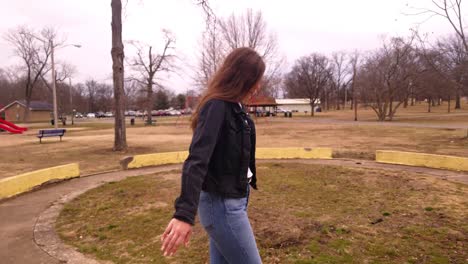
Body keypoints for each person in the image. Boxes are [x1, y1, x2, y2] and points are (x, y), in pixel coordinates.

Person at [161, 47, 265, 264]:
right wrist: (183, 214)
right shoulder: (217, 106)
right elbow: (197, 161)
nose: (258, 85)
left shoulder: (236, 107)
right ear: (243, 78)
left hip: (235, 199)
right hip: (222, 206)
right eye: (256, 79)